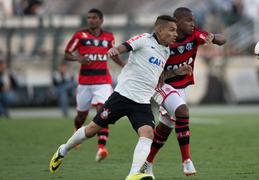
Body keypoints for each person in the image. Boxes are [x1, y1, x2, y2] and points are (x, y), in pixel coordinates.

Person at [49, 15, 191, 180]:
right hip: (122, 96)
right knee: (92, 130)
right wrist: (116, 50)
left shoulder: (166, 51)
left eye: (176, 31)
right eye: (172, 30)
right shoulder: (144, 39)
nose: (176, 34)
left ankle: (133, 174)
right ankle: (63, 150)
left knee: (148, 134)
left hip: (142, 102)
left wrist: (176, 72)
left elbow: (159, 77)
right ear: (159, 29)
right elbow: (126, 46)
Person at [142, 7, 226, 177]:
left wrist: (214, 38)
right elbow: (155, 73)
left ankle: (146, 163)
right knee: (182, 111)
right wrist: (176, 71)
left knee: (165, 129)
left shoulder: (194, 34)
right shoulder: (161, 41)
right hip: (161, 85)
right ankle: (186, 160)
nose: (192, 23)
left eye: (193, 20)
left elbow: (223, 40)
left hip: (181, 89)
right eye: (188, 20)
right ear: (177, 22)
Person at [64, 8, 125, 162]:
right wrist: (79, 59)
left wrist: (124, 65)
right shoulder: (80, 36)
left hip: (103, 82)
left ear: (101, 20)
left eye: (94, 17)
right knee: (81, 116)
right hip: (84, 83)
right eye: (89, 17)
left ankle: (101, 148)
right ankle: (77, 130)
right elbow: (67, 53)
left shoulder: (108, 36)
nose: (90, 20)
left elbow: (113, 55)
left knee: (102, 111)